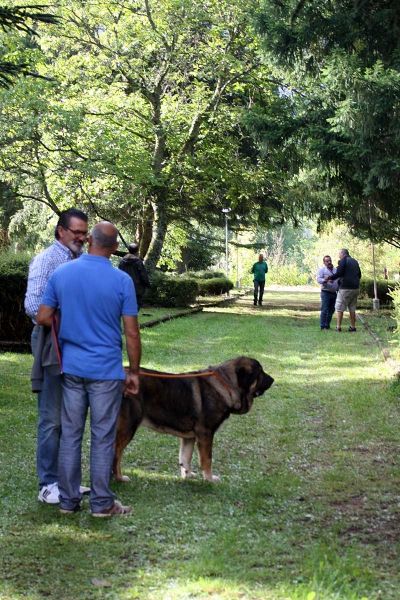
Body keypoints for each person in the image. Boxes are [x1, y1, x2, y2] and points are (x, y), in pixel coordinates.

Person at [36, 222, 142, 517]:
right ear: (115, 249)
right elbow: (132, 333)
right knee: (102, 437)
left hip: (71, 368)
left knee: (70, 435)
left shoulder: (62, 273)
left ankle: (68, 502)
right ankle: (102, 504)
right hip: (107, 371)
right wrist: (133, 372)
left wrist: (69, 320)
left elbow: (43, 316)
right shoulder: (122, 281)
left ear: (90, 240)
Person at [25, 208, 90, 504]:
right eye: (76, 231)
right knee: (52, 417)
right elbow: (33, 307)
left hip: (76, 344)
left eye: (84, 232)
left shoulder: (82, 262)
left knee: (72, 417)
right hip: (52, 344)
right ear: (60, 231)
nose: (81, 237)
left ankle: (68, 482)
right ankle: (48, 484)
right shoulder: (46, 259)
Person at [326, 248, 361, 332]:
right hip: (355, 288)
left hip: (345, 288)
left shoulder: (343, 261)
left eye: (339, 254)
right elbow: (359, 274)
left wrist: (330, 278)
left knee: (340, 307)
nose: (339, 256)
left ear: (343, 254)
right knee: (352, 308)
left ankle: (338, 327)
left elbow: (339, 273)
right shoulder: (354, 261)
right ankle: (353, 327)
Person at [118, 243, 150, 311]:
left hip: (124, 287)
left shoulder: (122, 262)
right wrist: (148, 284)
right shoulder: (138, 262)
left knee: (125, 305)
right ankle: (132, 319)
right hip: (136, 289)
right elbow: (143, 275)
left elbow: (119, 275)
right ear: (137, 251)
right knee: (137, 305)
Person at [316, 255, 339, 330]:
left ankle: (327, 325)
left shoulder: (335, 270)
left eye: (330, 260)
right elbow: (319, 280)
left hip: (334, 292)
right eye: (327, 261)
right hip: (325, 292)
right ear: (324, 262)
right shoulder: (322, 270)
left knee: (331, 310)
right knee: (325, 309)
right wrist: (326, 280)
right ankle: (323, 326)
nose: (329, 262)